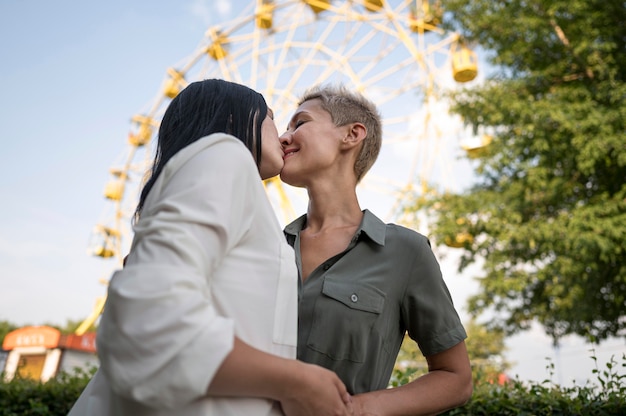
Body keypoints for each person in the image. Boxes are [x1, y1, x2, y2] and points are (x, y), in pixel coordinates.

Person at [68, 79, 353, 416]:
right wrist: (297, 382)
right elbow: (152, 323)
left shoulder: (229, 186)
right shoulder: (225, 154)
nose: (283, 136)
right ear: (234, 119)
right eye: (272, 118)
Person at [279, 84, 473, 415]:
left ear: (351, 135)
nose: (283, 137)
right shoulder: (267, 246)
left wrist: (360, 408)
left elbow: (456, 378)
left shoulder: (405, 253)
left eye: (300, 123)